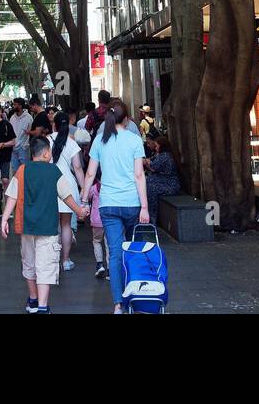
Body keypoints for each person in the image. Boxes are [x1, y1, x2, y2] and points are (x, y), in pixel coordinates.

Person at [1, 135, 90, 314]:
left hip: (26, 227)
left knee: (29, 263)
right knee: (46, 265)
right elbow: (67, 197)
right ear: (47, 153)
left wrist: (4, 218)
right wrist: (80, 211)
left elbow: (12, 195)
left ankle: (33, 299)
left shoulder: (22, 170)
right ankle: (42, 306)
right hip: (48, 227)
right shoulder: (54, 171)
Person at [81, 100, 150, 313]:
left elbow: (91, 174)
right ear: (127, 119)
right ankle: (135, 293)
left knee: (115, 252)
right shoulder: (134, 139)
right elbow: (139, 175)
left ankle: (118, 303)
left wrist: (84, 200)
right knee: (133, 249)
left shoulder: (100, 141)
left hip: (108, 204)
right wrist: (145, 207)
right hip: (131, 204)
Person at [50, 113, 86, 272]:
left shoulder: (46, 141)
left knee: (52, 226)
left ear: (54, 125)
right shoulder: (71, 143)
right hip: (68, 187)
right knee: (66, 225)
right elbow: (77, 168)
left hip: (49, 185)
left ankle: (51, 260)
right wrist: (84, 189)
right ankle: (65, 260)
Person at [143, 136, 181, 206]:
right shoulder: (164, 155)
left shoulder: (165, 156)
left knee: (150, 186)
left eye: (157, 146)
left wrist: (146, 162)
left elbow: (153, 167)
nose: (156, 148)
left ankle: (152, 213)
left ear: (162, 146)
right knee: (148, 181)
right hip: (166, 181)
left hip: (170, 184)